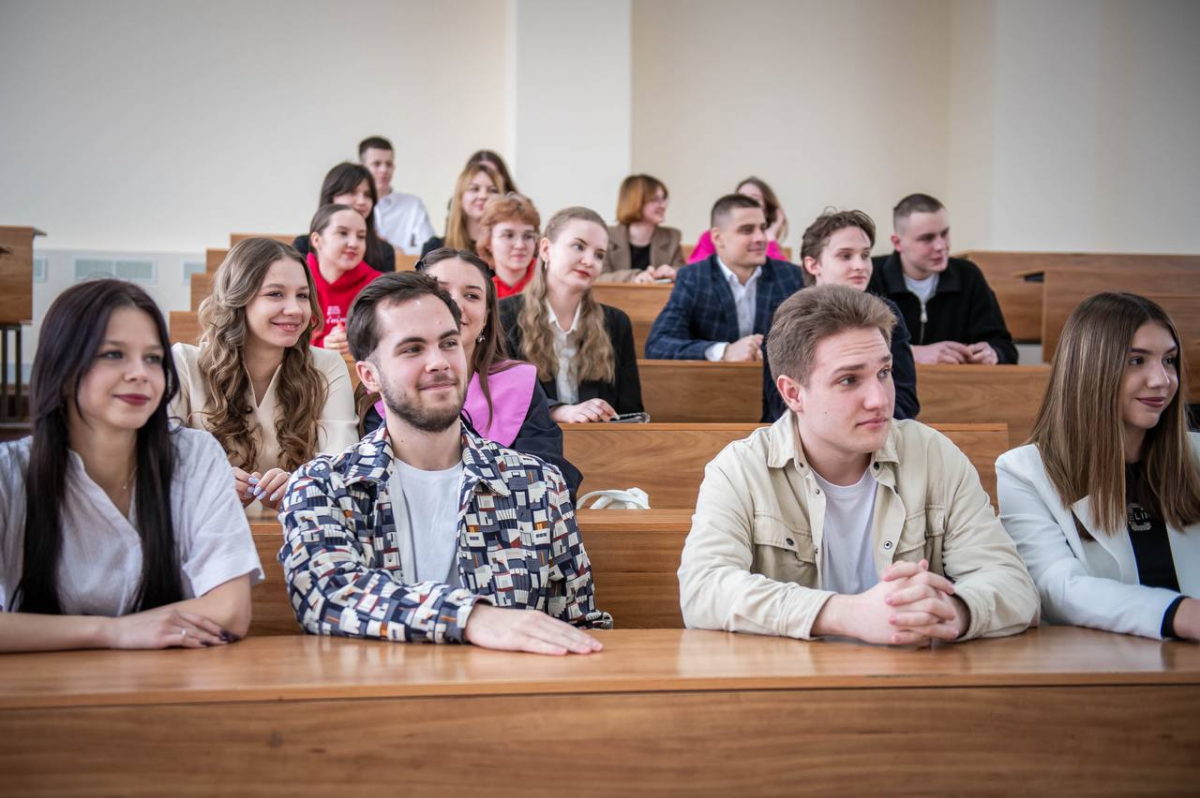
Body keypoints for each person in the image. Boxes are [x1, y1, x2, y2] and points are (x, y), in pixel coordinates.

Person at [678, 285, 1039, 644]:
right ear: (792, 393)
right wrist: (846, 614)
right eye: (849, 380)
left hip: (915, 684)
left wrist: (950, 610)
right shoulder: (740, 469)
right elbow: (703, 590)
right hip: (791, 689)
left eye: (884, 372)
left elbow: (1013, 584)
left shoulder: (934, 455)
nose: (879, 399)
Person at [279, 272, 611, 652]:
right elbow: (327, 598)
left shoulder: (537, 485)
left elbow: (579, 625)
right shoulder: (323, 486)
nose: (438, 362)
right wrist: (470, 617)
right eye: (412, 349)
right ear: (370, 375)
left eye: (449, 343)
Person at [0, 280, 262, 653]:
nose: (140, 373)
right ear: (61, 368)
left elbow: (230, 610)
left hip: (173, 681)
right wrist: (111, 632)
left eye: (153, 358)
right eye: (113, 354)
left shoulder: (196, 454)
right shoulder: (10, 473)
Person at [996, 293, 1200, 640]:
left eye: (1169, 360)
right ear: (1091, 369)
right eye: (1136, 361)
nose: (1162, 379)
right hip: (1104, 669)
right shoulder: (1025, 471)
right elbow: (1056, 589)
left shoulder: (1197, 453)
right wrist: (1178, 613)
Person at [361, 247, 583, 496]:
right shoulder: (388, 380)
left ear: (487, 316)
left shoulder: (520, 384)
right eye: (442, 292)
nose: (455, 306)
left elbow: (546, 478)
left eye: (472, 296)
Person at [171, 238, 358, 510]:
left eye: (303, 296)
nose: (295, 309)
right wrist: (207, 479)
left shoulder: (327, 365)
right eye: (275, 294)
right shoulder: (184, 363)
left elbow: (341, 462)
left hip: (300, 533)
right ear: (238, 298)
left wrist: (301, 484)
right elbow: (161, 461)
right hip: (204, 535)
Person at [763, 209, 919, 422]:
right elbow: (778, 403)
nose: (860, 266)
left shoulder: (887, 312)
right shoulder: (788, 316)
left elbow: (906, 400)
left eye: (865, 255)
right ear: (813, 264)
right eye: (845, 256)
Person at [499, 207, 644, 423]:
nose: (589, 261)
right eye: (578, 246)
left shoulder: (616, 322)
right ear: (546, 249)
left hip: (600, 448)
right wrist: (558, 411)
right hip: (527, 451)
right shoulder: (503, 315)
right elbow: (500, 399)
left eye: (599, 255)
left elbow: (630, 412)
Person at [645, 194, 803, 362]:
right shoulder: (693, 277)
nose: (761, 238)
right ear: (718, 238)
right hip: (712, 385)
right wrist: (723, 352)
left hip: (778, 385)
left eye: (762, 228)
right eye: (747, 230)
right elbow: (657, 346)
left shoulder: (791, 277)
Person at [867, 193, 1017, 365]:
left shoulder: (969, 276)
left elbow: (1006, 348)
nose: (941, 246)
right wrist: (913, 353)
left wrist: (994, 354)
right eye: (927, 238)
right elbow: (855, 349)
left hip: (955, 387)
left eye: (944, 233)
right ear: (897, 242)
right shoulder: (870, 275)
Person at [292, 163, 396, 273]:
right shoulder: (303, 246)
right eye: (352, 192)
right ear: (331, 197)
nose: (362, 201)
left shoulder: (384, 251)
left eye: (368, 194)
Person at [304, 204, 382, 351]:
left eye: (361, 236)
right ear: (316, 240)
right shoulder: (297, 280)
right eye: (343, 233)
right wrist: (321, 345)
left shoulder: (378, 284)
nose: (353, 243)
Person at [602, 174, 685, 283]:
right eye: (656, 199)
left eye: (664, 199)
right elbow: (598, 278)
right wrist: (634, 276)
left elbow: (684, 275)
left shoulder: (672, 237)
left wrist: (674, 273)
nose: (663, 205)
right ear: (635, 201)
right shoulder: (606, 236)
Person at [359, 135, 435, 255]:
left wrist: (397, 251)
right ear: (362, 168)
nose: (384, 169)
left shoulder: (412, 205)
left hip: (403, 271)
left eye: (388, 164)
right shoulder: (351, 205)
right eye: (377, 164)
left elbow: (431, 250)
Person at [688, 177, 788, 264]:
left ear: (766, 210)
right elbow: (696, 274)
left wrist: (770, 238)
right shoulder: (710, 237)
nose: (746, 204)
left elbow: (783, 279)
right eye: (741, 198)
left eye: (755, 199)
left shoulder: (769, 242)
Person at [421, 162, 503, 257]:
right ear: (460, 197)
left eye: (492, 190)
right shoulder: (435, 249)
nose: (483, 196)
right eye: (474, 189)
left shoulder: (509, 248)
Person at [476, 193, 540, 299]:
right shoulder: (476, 285)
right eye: (509, 235)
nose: (520, 245)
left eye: (528, 236)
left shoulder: (550, 281)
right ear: (488, 242)